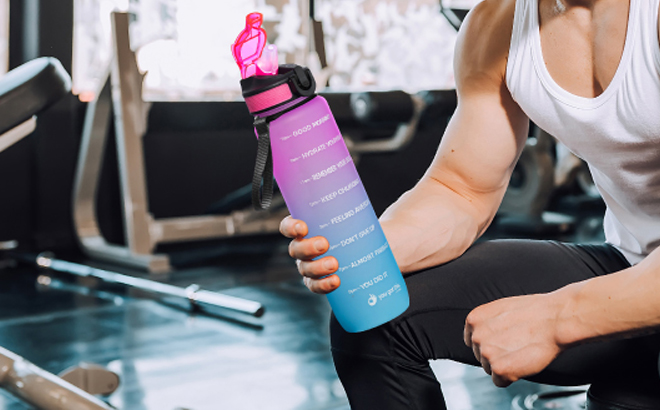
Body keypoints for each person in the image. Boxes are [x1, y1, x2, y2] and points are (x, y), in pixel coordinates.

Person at [281, 0, 660, 408]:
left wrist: (559, 318)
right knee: (374, 311)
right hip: (631, 269)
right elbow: (462, 190)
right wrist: (367, 252)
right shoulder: (497, 24)